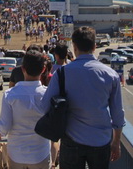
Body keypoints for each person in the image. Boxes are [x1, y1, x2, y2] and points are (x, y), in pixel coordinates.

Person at [41, 26, 125, 169]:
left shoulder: (62, 74)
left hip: (71, 140)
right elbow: (117, 114)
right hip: (101, 141)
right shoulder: (111, 75)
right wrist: (116, 142)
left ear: (74, 47)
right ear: (94, 46)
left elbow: (44, 107)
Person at [0, 50, 51, 168]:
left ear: (23, 69)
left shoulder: (10, 95)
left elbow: (4, 128)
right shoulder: (48, 94)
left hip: (16, 154)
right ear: (43, 69)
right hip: (40, 153)